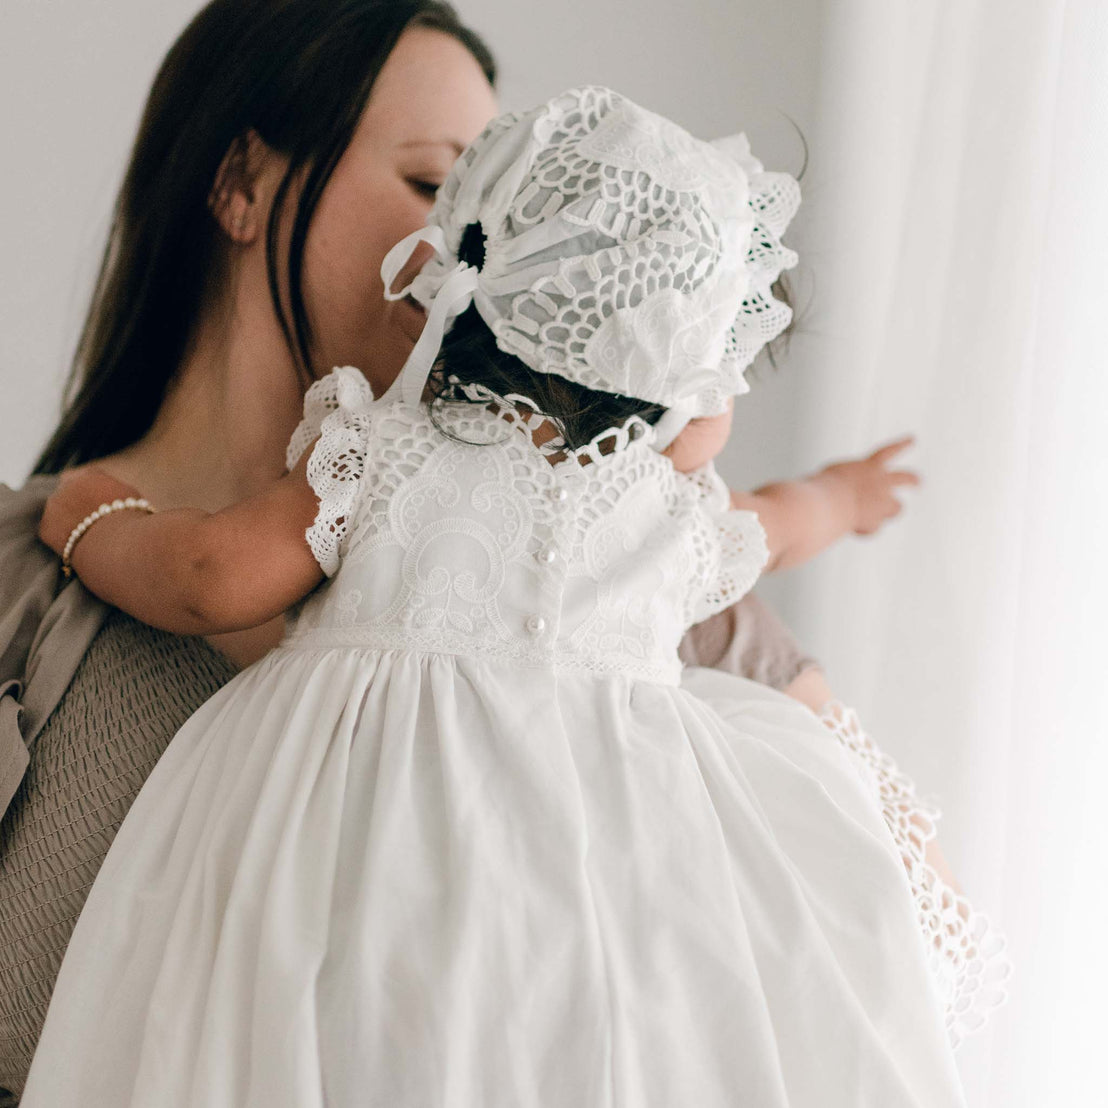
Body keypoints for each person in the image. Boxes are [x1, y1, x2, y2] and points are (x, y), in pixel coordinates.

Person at [22, 84, 971, 1107]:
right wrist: (846, 493)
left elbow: (211, 577)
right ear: (673, 397)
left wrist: (89, 515)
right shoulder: (665, 518)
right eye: (724, 376)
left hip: (369, 883)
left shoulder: (382, 457)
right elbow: (782, 520)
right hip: (603, 912)